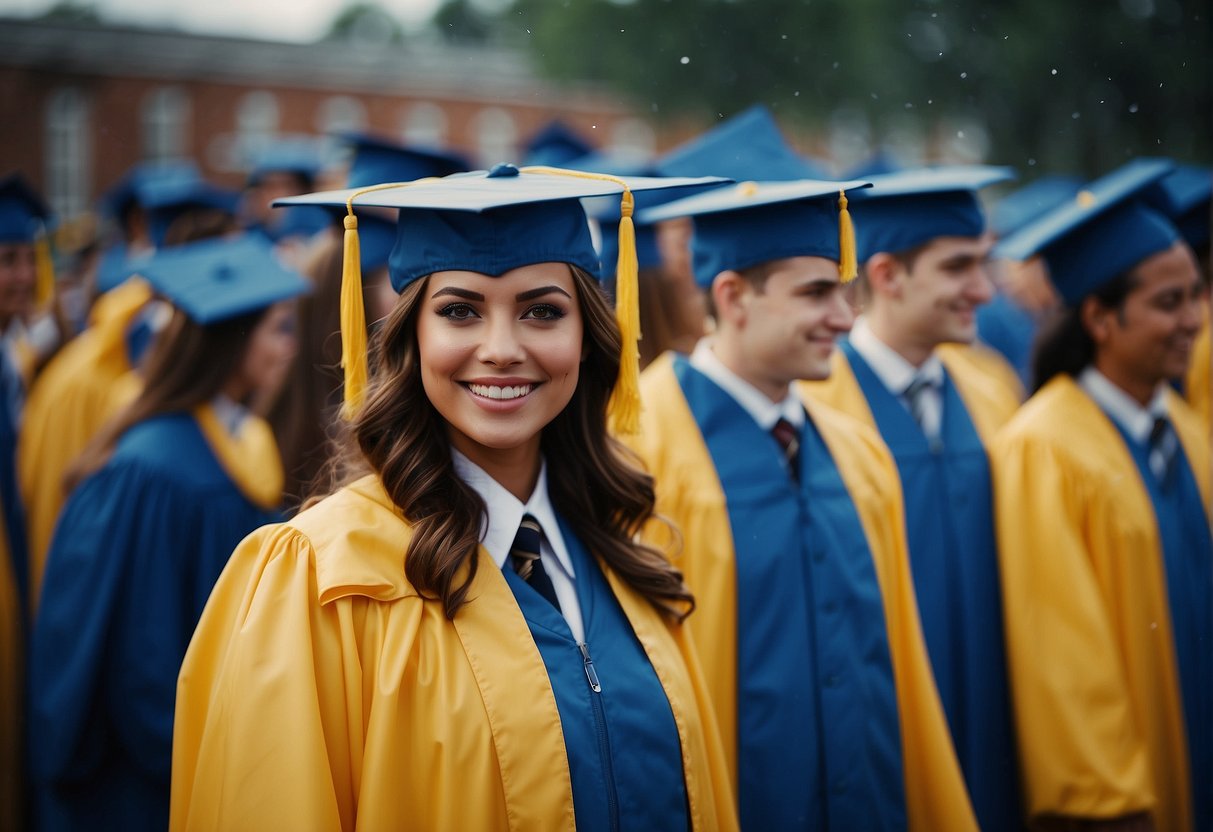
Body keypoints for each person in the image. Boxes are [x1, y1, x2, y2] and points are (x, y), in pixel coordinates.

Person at [170, 165, 738, 830]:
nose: (501, 349)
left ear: (587, 341)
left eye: (542, 311)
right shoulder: (322, 578)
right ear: (411, 337)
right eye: (459, 311)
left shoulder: (625, 555)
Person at [630, 178, 977, 830]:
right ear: (732, 296)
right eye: (816, 293)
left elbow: (902, 666)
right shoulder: (635, 448)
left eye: (844, 295)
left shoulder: (857, 453)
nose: (845, 319)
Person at [28, 234, 308, 832]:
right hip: (157, 783)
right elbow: (144, 665)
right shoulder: (152, 473)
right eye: (277, 329)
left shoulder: (233, 441)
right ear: (233, 345)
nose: (291, 346)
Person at [801, 165, 1023, 832]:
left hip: (994, 715)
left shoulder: (993, 390)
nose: (983, 290)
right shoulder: (813, 404)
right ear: (888, 275)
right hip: (877, 719)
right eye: (958, 267)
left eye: (983, 264)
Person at [992, 157, 1210, 832]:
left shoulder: (1184, 427)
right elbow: (1060, 655)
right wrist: (1110, 801)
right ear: (1098, 317)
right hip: (1129, 798)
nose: (1194, 320)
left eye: (1197, 294)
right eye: (1167, 303)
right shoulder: (1044, 447)